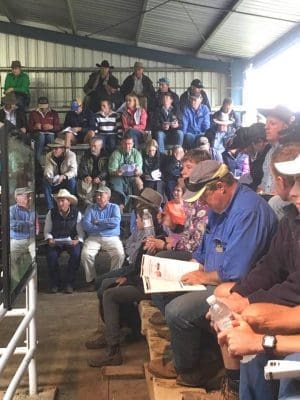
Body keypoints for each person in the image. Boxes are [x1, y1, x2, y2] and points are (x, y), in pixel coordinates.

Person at [148, 160, 278, 389]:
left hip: (240, 286)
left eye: (203, 196)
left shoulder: (248, 211)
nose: (200, 202)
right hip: (215, 276)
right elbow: (206, 244)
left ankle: (189, 369)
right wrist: (196, 264)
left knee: (178, 311)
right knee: (162, 289)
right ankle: (205, 353)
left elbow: (238, 271)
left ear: (220, 186)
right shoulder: (219, 207)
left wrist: (204, 277)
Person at [213, 150, 300, 400]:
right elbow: (270, 266)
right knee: (241, 321)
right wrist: (239, 297)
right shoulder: (292, 221)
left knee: (253, 326)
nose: (293, 192)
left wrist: (262, 339)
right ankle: (238, 387)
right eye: (293, 181)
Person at [87, 206, 161, 367]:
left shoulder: (154, 238)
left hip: (147, 284)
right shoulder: (151, 237)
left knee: (110, 294)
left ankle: (113, 349)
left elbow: (145, 269)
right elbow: (139, 266)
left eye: (141, 219)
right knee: (106, 284)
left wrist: (128, 279)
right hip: (141, 279)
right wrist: (127, 278)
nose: (138, 221)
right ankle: (115, 332)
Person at [81, 186, 125, 289]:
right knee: (86, 254)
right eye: (97, 195)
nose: (98, 197)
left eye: (101, 195)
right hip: (94, 237)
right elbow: (86, 225)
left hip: (112, 237)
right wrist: (105, 226)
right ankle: (91, 281)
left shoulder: (114, 207)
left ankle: (112, 280)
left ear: (108, 197)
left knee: (119, 254)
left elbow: (115, 222)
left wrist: (98, 222)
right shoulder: (90, 208)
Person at [44, 189, 84, 294]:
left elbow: (80, 232)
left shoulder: (76, 213)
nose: (60, 203)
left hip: (71, 241)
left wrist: (77, 240)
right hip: (56, 241)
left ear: (69, 202)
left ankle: (69, 283)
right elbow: (47, 231)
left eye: (62, 200)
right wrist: (49, 239)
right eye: (58, 201)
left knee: (76, 254)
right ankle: (55, 283)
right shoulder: (51, 213)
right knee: (51, 256)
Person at [257, 105, 293, 199]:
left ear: (285, 127)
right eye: (266, 123)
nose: (266, 127)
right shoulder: (270, 152)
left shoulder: (292, 152)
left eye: (272, 123)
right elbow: (263, 184)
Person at [228, 123, 270, 191]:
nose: (242, 152)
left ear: (259, 142)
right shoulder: (254, 154)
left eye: (243, 148)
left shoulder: (269, 154)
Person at [108, 133, 143, 208]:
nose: (127, 146)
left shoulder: (137, 154)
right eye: (125, 144)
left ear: (133, 144)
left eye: (129, 144)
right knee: (116, 184)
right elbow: (111, 170)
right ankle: (121, 205)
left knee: (139, 183)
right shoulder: (116, 154)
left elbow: (140, 171)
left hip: (133, 176)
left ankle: (137, 205)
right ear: (122, 144)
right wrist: (117, 172)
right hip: (119, 177)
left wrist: (138, 172)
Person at [10, 187, 35, 285]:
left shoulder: (33, 209)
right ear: (17, 198)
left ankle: (31, 282)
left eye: (29, 195)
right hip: (17, 239)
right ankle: (17, 283)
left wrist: (22, 224)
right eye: (26, 196)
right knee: (11, 257)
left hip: (31, 239)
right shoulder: (11, 210)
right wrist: (26, 224)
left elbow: (35, 226)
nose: (29, 198)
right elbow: (11, 224)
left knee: (34, 257)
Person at [43, 138, 77, 210]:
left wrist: (64, 176)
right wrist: (50, 177)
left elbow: (74, 171)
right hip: (55, 181)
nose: (53, 150)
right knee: (45, 181)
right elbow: (48, 169)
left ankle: (72, 206)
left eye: (56, 148)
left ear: (63, 149)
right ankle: (50, 208)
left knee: (72, 181)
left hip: (66, 180)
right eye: (53, 148)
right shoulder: (49, 155)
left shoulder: (71, 155)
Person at [77, 137, 108, 206]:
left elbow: (106, 170)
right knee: (83, 186)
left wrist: (100, 177)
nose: (92, 148)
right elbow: (82, 168)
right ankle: (89, 205)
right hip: (89, 177)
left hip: (101, 178)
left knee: (103, 184)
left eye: (94, 146)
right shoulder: (86, 155)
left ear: (100, 146)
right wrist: (86, 176)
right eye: (91, 146)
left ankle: (100, 204)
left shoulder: (106, 155)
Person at [28, 96, 60, 162]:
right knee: (41, 136)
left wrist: (52, 127)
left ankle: (52, 161)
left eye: (44, 107)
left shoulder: (54, 113)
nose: (43, 109)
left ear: (48, 105)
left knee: (50, 136)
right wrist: (35, 127)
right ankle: (37, 162)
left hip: (50, 134)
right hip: (37, 135)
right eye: (41, 107)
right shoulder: (33, 113)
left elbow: (58, 127)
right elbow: (29, 128)